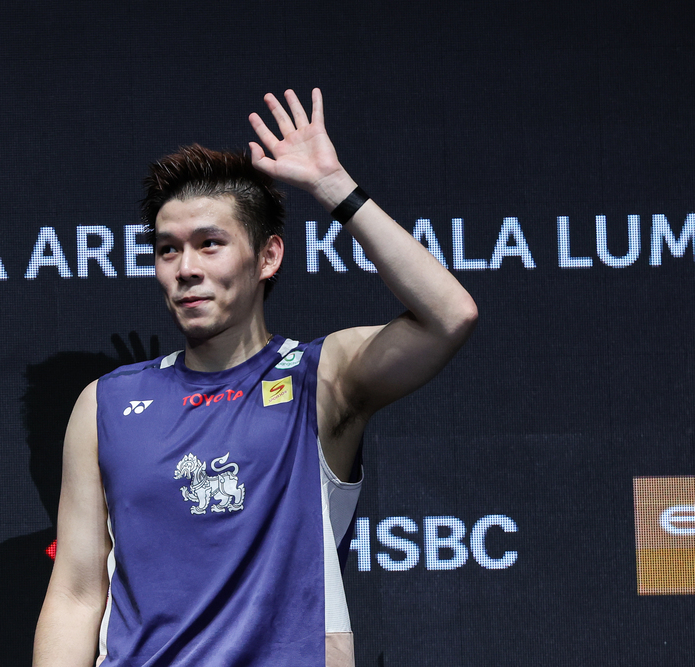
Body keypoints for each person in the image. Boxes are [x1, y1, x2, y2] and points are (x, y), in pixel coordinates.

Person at [33, 88, 478, 666]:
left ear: (268, 257)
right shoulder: (107, 403)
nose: (186, 268)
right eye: (168, 250)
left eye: (209, 245)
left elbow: (449, 316)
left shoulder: (320, 378)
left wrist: (334, 187)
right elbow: (74, 595)